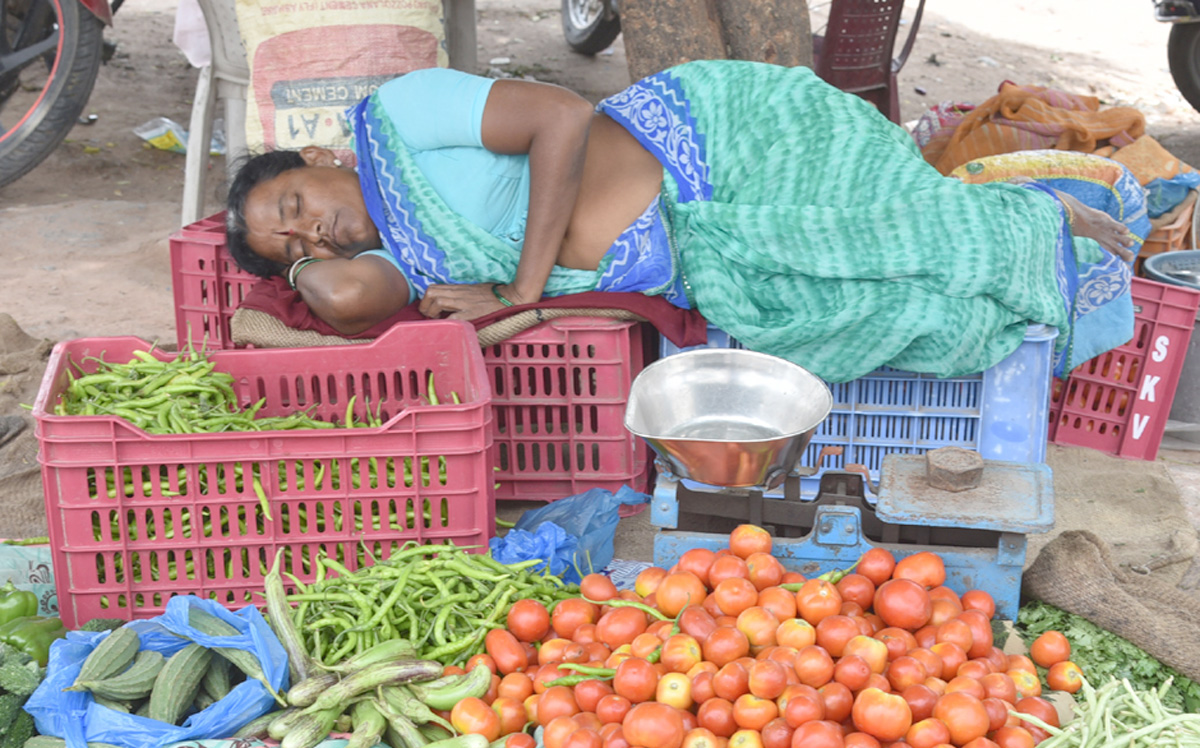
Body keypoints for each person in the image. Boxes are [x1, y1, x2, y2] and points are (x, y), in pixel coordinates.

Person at [226, 61, 1145, 383]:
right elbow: (343, 294)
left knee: (911, 225)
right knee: (885, 306)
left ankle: (1041, 211)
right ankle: (1015, 215)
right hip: (697, 246)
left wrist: (523, 290)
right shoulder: (402, 261)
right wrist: (296, 269)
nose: (316, 235)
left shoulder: (400, 114)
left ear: (322, 158)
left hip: (715, 143)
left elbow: (558, 114)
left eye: (297, 207)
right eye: (293, 244)